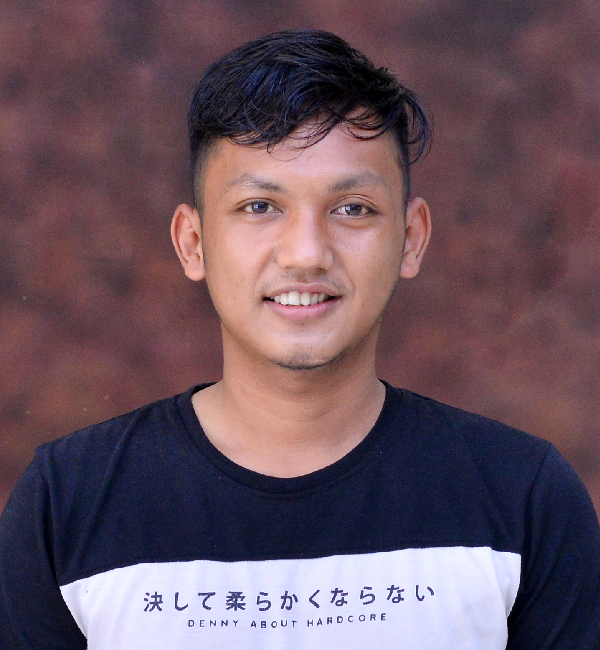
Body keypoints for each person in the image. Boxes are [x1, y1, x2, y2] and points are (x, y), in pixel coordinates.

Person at [1, 29, 599, 650]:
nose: (306, 253)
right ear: (193, 243)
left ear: (412, 238)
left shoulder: (523, 500)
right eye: (260, 206)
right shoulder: (66, 503)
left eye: (353, 208)